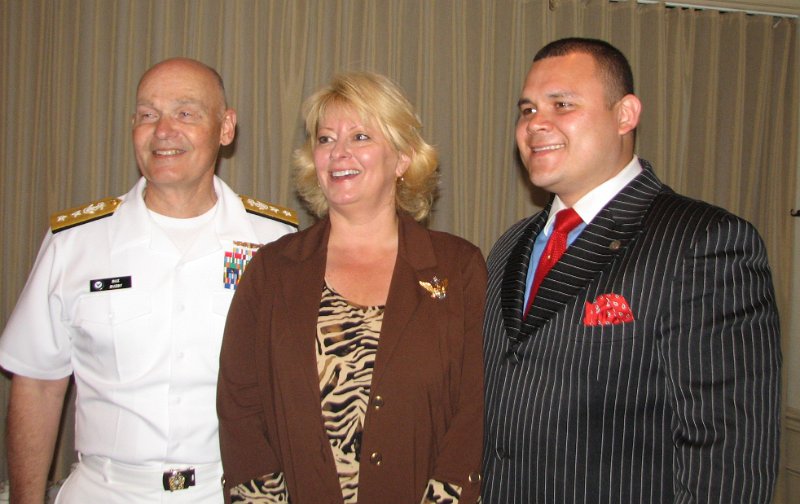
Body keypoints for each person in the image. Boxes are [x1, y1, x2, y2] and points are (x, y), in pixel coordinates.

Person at [482, 38, 781, 503]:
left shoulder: (704, 241)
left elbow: (728, 455)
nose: (536, 124)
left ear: (625, 115)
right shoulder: (509, 247)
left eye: (562, 105)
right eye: (527, 109)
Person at [0, 57, 298, 503]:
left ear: (225, 128)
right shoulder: (75, 243)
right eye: (147, 114)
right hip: (104, 492)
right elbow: (38, 384)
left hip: (231, 492)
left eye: (185, 112)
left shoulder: (278, 243)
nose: (163, 130)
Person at [217, 71, 486, 504]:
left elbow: (474, 408)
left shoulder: (460, 268)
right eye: (325, 139)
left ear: (401, 159)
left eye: (360, 136)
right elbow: (240, 408)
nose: (338, 152)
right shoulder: (271, 270)